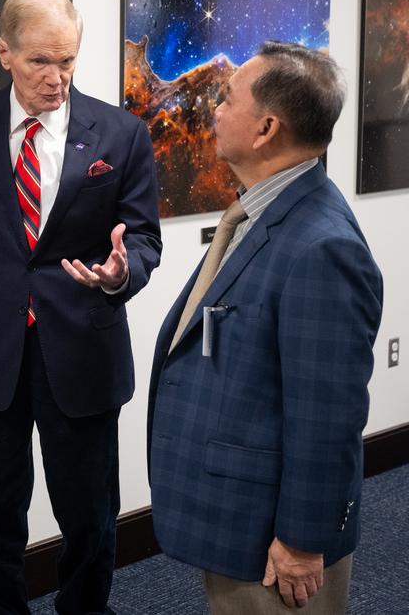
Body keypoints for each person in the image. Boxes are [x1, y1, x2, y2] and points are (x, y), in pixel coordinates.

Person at [0, 0, 162, 615]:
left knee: (90, 513)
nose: (56, 79)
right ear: (4, 53)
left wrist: (119, 274)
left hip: (82, 348)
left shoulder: (121, 133)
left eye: (69, 62)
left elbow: (145, 242)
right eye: (39, 63)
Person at [147, 42, 383, 613]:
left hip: (275, 540)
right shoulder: (266, 211)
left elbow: (329, 413)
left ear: (266, 129)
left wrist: (302, 542)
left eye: (227, 100)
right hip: (239, 512)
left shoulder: (322, 247)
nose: (214, 112)